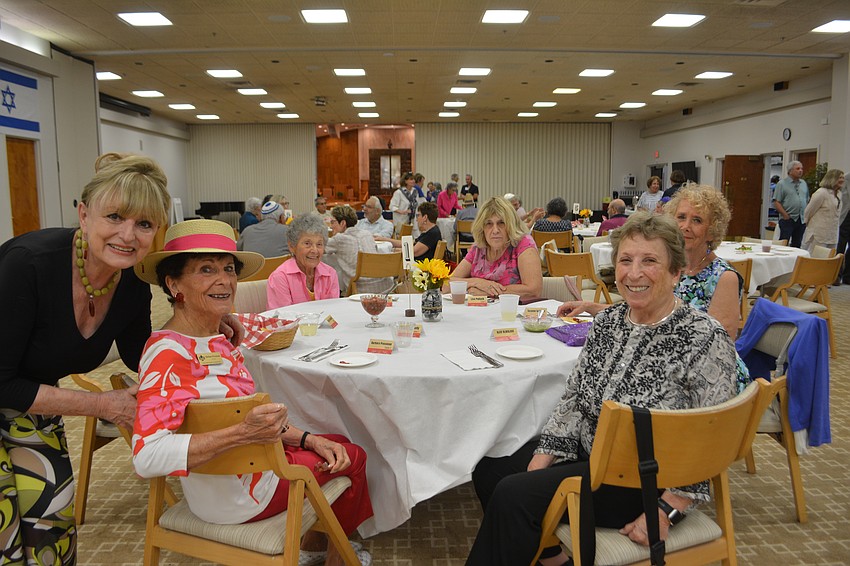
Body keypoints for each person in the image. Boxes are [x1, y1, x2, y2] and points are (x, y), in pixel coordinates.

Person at [467, 213, 743, 566]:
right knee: (491, 468)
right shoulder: (609, 322)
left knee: (512, 495)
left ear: (676, 272)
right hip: (588, 455)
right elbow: (573, 400)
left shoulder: (704, 338)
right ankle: (553, 559)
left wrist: (665, 511)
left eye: (650, 261)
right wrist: (541, 461)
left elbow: (714, 438)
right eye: (626, 260)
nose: (634, 272)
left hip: (643, 482)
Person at [132, 219, 373, 566]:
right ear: (173, 284)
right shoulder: (169, 355)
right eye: (205, 270)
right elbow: (147, 457)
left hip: (231, 480)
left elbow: (243, 413)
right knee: (355, 456)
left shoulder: (210, 335)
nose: (225, 280)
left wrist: (307, 440)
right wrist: (241, 433)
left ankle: (312, 546)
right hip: (242, 494)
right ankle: (335, 557)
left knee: (331, 438)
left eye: (228, 269)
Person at [0, 153, 173, 564]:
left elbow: (139, 354)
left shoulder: (130, 281)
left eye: (144, 224)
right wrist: (102, 405)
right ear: (83, 214)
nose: (128, 235)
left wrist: (202, 321)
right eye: (114, 217)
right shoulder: (29, 265)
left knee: (50, 527)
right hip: (9, 385)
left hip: (27, 397)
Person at [561, 184, 744, 342]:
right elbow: (640, 314)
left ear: (712, 230)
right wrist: (589, 306)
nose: (685, 226)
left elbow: (719, 344)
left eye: (697, 220)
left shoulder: (724, 277)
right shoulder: (667, 267)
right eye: (681, 217)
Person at [449, 196, 542, 298]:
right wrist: (477, 282)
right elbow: (447, 284)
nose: (495, 230)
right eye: (489, 223)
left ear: (511, 224)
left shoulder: (523, 244)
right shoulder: (479, 247)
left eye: (501, 223)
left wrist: (489, 293)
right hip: (478, 311)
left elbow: (533, 290)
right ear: (482, 227)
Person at [267, 214, 340, 307]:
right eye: (307, 243)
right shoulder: (280, 277)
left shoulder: (330, 274)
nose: (314, 250)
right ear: (292, 246)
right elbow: (282, 318)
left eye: (319, 244)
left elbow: (333, 312)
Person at [324, 205, 391, 294]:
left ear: (343, 223)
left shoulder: (339, 239)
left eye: (333, 222)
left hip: (360, 289)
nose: (331, 226)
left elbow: (318, 248)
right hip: (385, 286)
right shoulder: (367, 234)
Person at [376, 202, 442, 261]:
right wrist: (384, 239)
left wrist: (389, 250)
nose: (416, 220)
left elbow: (413, 252)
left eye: (418, 215)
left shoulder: (432, 234)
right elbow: (407, 244)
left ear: (425, 217)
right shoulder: (430, 231)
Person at [802, 168, 844, 253]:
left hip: (832, 234)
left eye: (843, 178)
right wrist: (807, 225)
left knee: (829, 259)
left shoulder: (839, 194)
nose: (842, 180)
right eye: (840, 177)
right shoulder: (821, 193)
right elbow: (809, 211)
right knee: (817, 259)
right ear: (832, 178)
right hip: (819, 234)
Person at [773, 160, 809, 248]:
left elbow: (807, 199)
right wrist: (785, 215)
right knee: (784, 243)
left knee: (797, 243)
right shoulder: (782, 184)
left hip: (801, 219)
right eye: (797, 169)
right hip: (787, 219)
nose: (800, 170)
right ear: (790, 171)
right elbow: (776, 202)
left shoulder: (803, 183)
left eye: (801, 168)